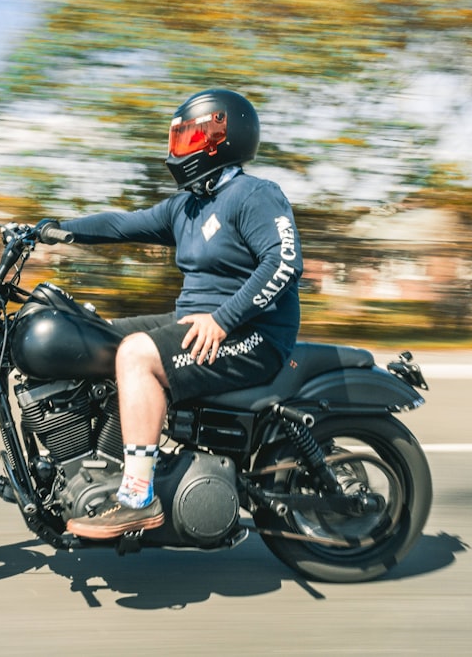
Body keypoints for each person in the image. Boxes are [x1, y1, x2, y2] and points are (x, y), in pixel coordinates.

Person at [48, 89, 303, 540]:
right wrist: (50, 230)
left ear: (223, 138)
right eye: (178, 137)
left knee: (136, 356)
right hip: (197, 323)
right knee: (90, 338)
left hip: (253, 334)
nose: (179, 148)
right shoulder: (187, 206)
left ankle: (137, 497)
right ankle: (92, 466)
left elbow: (283, 263)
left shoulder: (254, 195)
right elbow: (120, 225)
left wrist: (223, 318)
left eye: (191, 138)